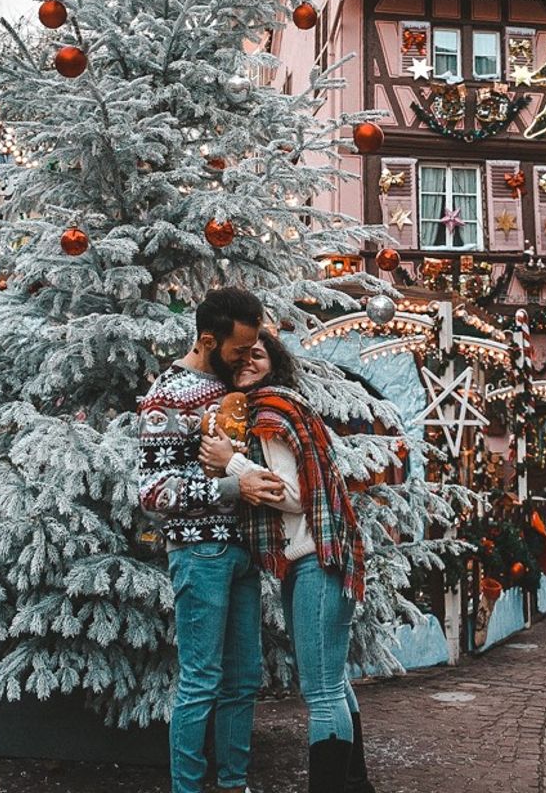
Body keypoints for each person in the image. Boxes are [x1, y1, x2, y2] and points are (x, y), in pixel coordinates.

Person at [200, 329, 375, 793]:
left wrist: (231, 462)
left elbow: (294, 495)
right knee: (332, 681)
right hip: (312, 558)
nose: (246, 363)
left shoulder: (271, 412)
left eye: (256, 355)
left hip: (317, 556)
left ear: (273, 360)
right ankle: (355, 784)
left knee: (320, 693)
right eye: (239, 356)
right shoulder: (270, 408)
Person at [139, 289, 285, 793]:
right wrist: (231, 485)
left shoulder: (237, 390)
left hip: (244, 553)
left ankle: (234, 784)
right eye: (240, 350)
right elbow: (152, 492)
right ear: (207, 340)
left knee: (244, 681)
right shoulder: (168, 395)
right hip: (200, 554)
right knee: (201, 682)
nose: (249, 358)